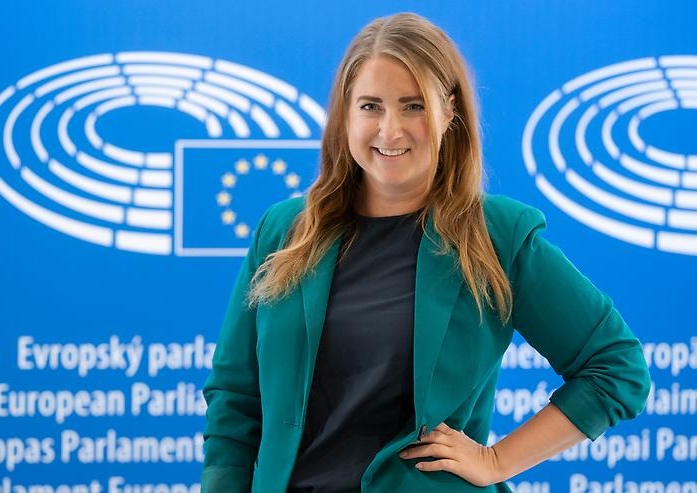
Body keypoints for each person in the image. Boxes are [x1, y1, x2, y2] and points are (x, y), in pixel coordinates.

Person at [200, 12, 651, 493]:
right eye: (370, 106)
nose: (390, 130)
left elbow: (616, 367)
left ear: (449, 111)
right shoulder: (284, 231)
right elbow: (235, 398)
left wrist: (496, 460)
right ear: (345, 114)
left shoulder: (496, 236)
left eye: (413, 106)